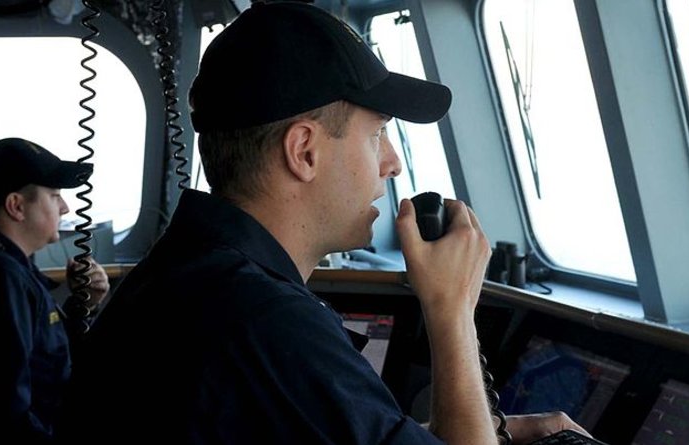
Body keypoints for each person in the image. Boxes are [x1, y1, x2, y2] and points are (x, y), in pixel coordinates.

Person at [60, 2, 587, 444]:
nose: (392, 164)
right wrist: (451, 310)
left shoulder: (190, 280)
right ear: (305, 151)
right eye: (377, 133)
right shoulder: (263, 320)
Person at [0, 137, 110, 444]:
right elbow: (5, 413)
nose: (64, 206)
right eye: (54, 195)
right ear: (16, 206)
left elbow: (45, 356)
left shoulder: (8, 265)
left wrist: (85, 305)